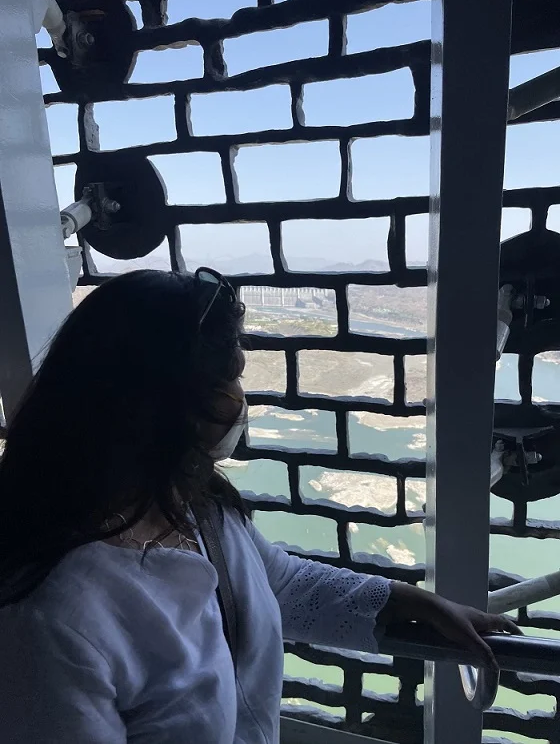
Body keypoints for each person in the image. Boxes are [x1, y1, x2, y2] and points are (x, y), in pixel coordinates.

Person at [0, 269, 518, 743]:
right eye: (230, 378)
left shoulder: (193, 508)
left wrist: (414, 602)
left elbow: (279, 583)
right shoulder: (51, 620)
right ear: (160, 403)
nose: (240, 399)